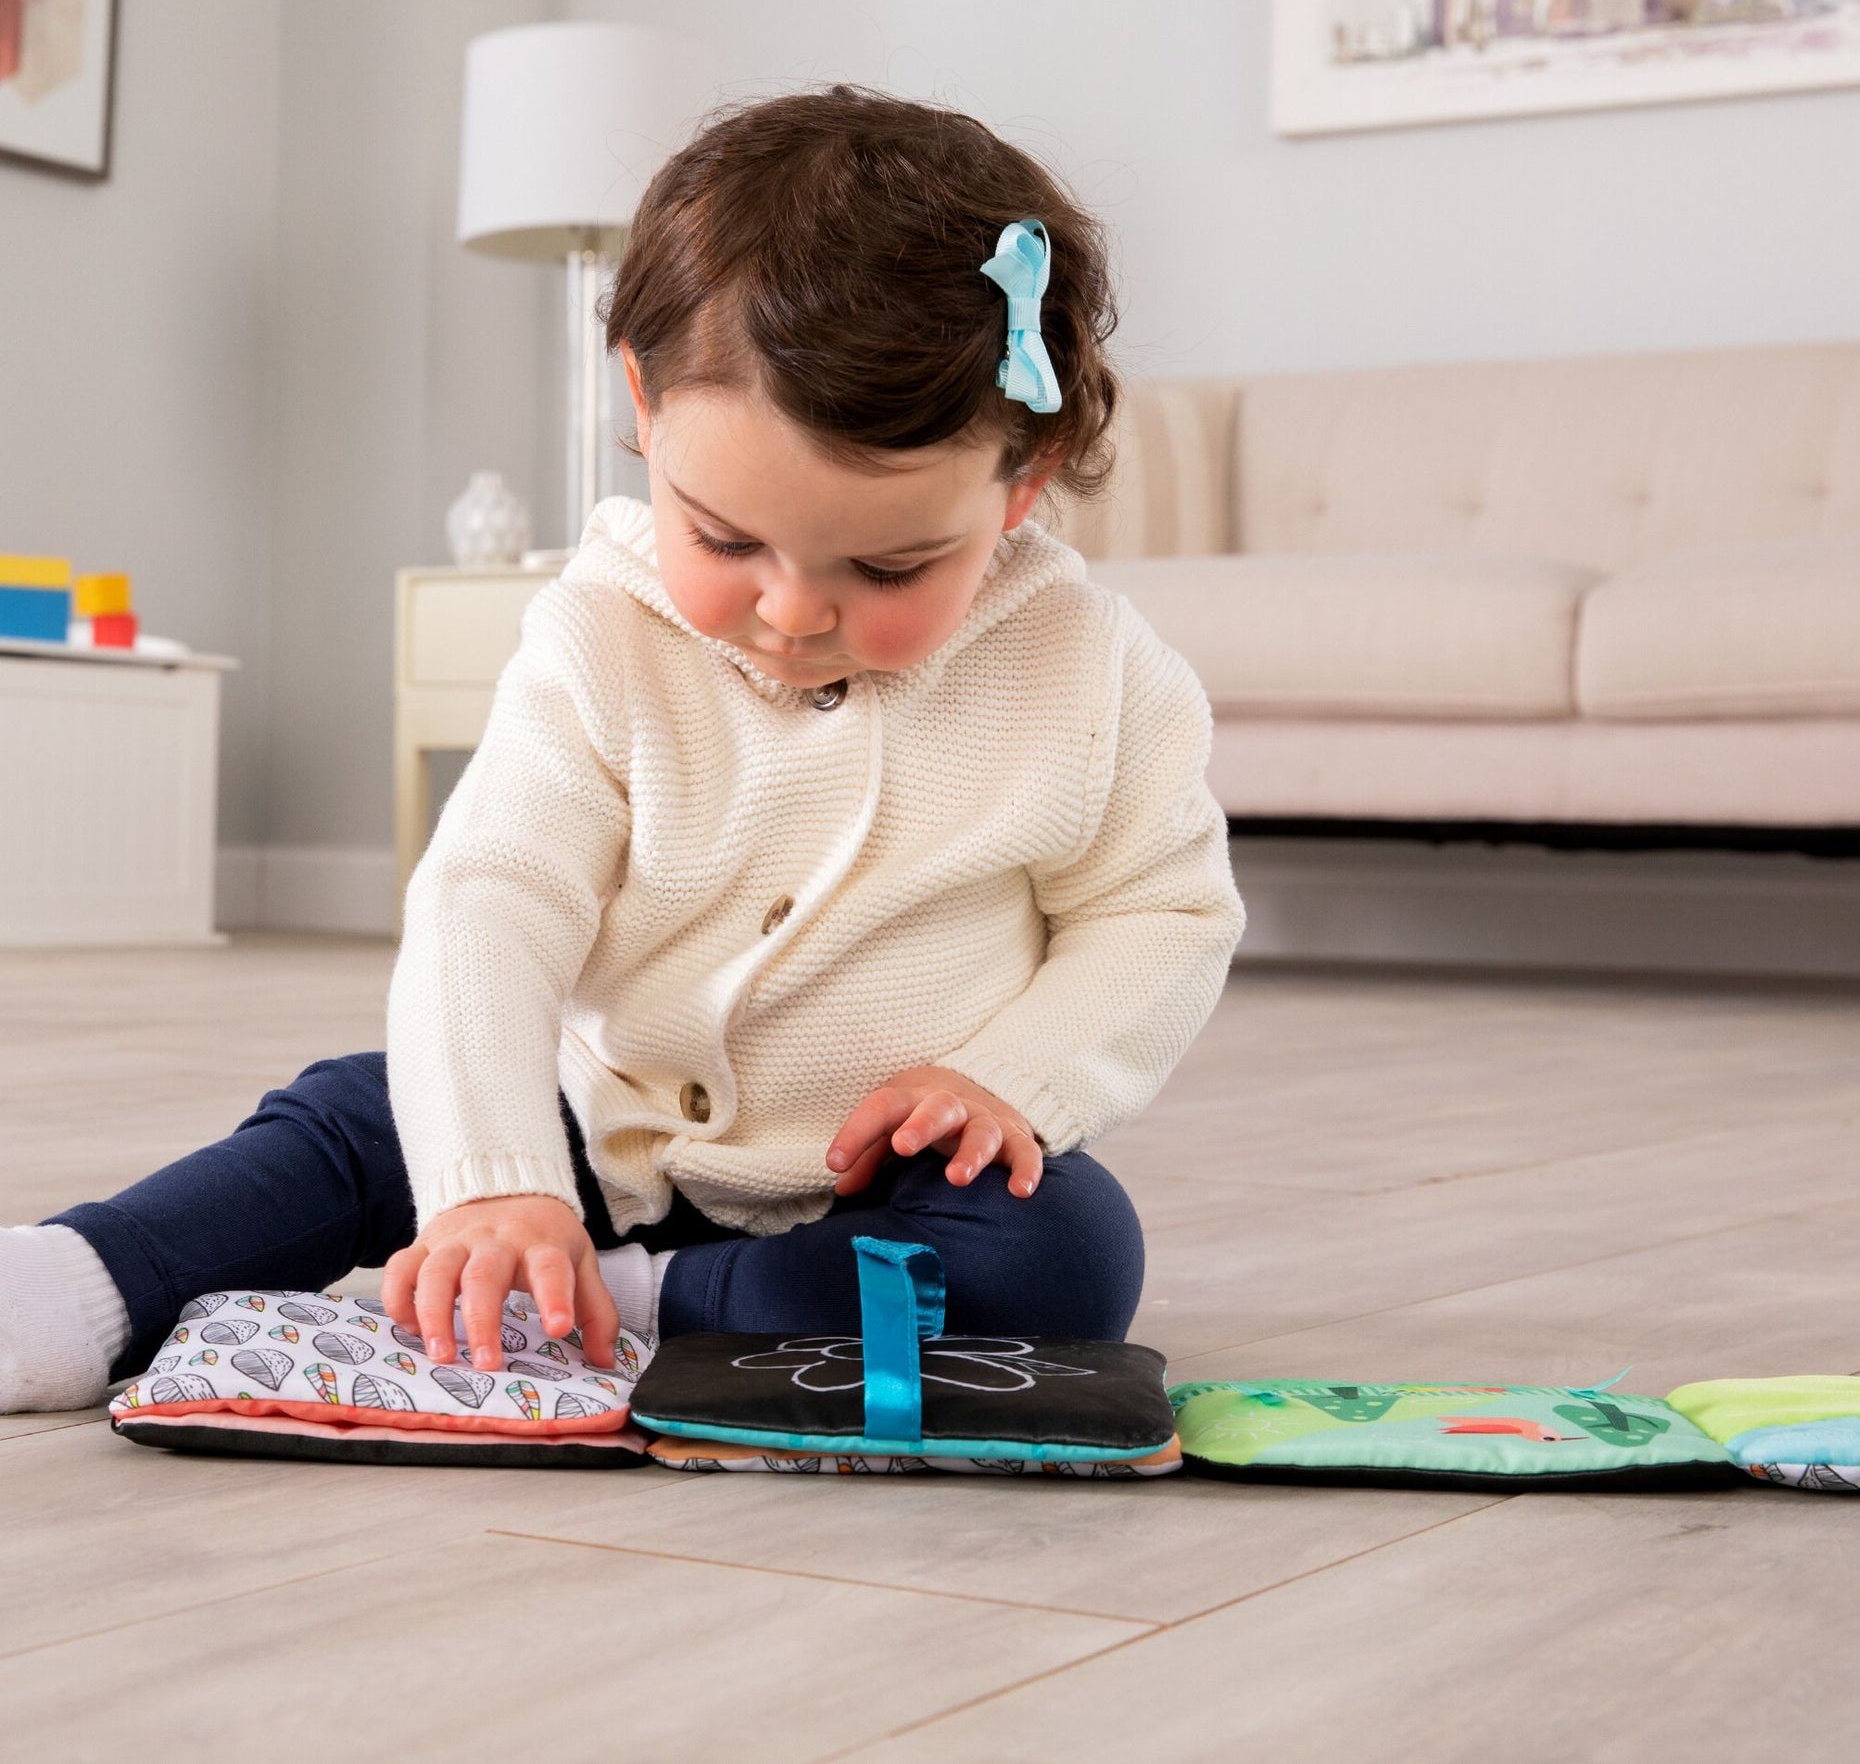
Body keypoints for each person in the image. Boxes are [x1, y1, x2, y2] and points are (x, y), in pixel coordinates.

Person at [0, 86, 1244, 1413]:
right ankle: (88, 1276)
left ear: (1023, 477)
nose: (791, 611)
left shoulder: (1092, 672)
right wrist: (498, 1178)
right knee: (356, 1117)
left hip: (872, 1181)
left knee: (1067, 1249)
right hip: (596, 1128)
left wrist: (1006, 1082)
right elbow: (492, 905)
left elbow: (1158, 913)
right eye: (725, 538)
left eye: (888, 567)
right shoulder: (599, 636)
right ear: (644, 406)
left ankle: (648, 1302)